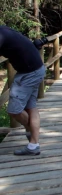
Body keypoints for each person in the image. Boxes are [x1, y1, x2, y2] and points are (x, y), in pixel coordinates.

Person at [1, 26, 46, 156]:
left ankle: (30, 132)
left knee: (14, 110)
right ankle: (33, 144)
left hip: (29, 73)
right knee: (31, 107)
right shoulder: (4, 31)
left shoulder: (1, 35)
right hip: (36, 69)